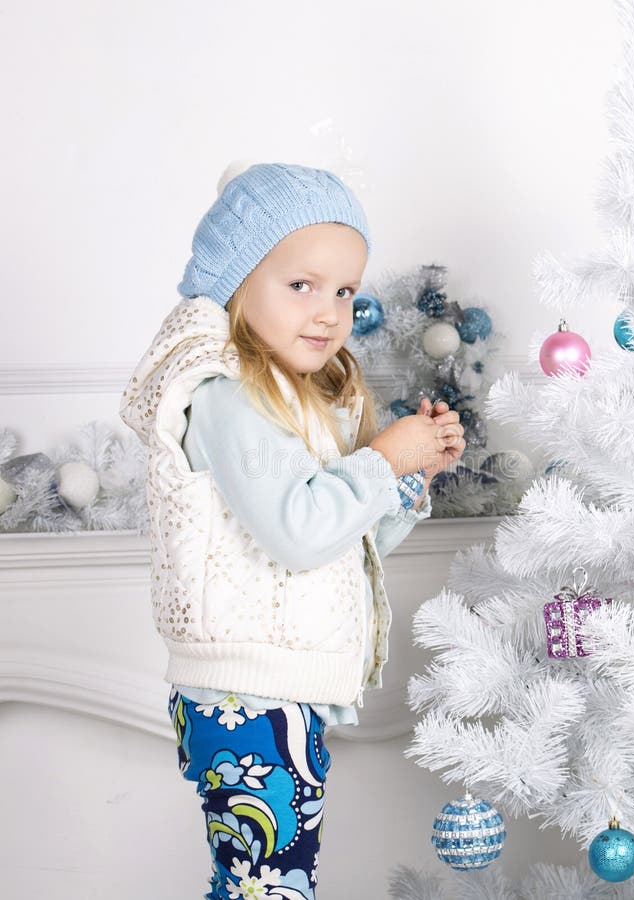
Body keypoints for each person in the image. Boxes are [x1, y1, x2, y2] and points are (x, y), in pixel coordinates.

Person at [118, 162, 466, 899]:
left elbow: (339, 543)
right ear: (240, 282)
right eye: (301, 285)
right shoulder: (226, 397)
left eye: (345, 291)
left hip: (272, 693)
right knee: (268, 889)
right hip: (246, 697)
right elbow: (300, 532)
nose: (330, 312)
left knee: (268, 886)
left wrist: (408, 477)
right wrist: (380, 459)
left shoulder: (289, 396)